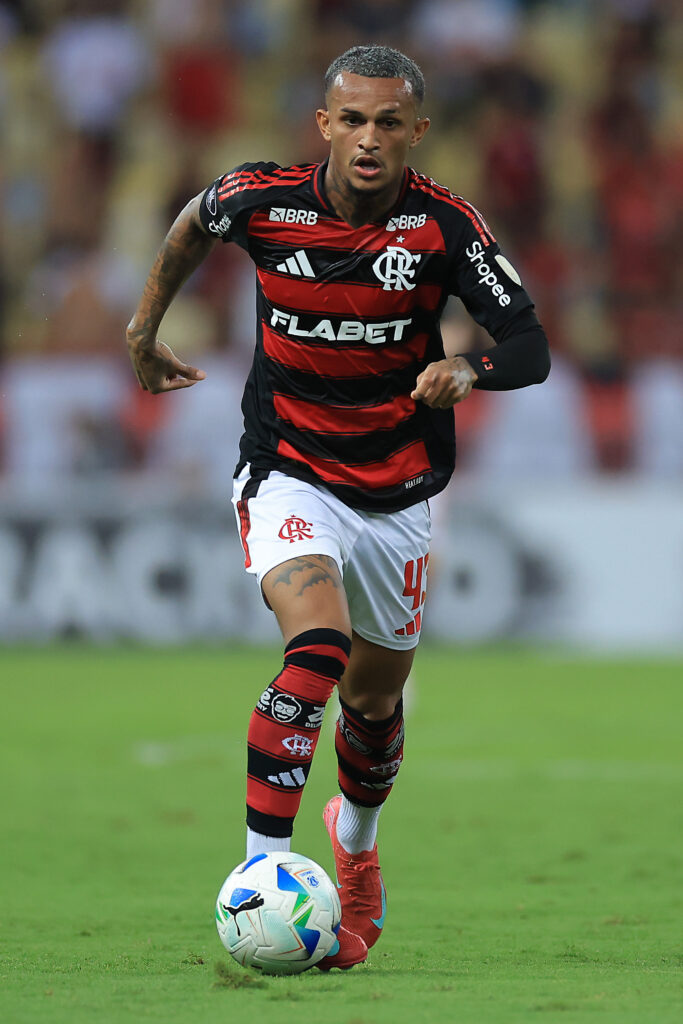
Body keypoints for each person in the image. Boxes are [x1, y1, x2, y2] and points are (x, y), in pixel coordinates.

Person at [126, 45, 550, 970]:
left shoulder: (444, 227)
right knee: (316, 649)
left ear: (416, 132)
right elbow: (192, 224)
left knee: (374, 703)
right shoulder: (263, 200)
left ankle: (354, 848)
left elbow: (528, 343)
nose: (367, 138)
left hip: (396, 492)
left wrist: (468, 368)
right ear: (323, 124)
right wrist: (144, 327)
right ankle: (260, 875)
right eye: (351, 119)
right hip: (286, 471)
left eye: (387, 123)